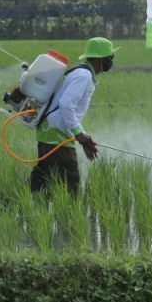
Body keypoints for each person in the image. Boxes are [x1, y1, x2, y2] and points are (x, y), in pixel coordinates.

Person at [31, 37, 118, 196]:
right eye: (109, 57)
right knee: (71, 187)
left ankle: (14, 203)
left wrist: (82, 136)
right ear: (98, 58)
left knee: (43, 182)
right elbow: (66, 104)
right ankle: (65, 215)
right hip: (57, 134)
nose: (111, 61)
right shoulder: (84, 76)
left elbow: (69, 108)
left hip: (51, 131)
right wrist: (79, 134)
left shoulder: (80, 72)